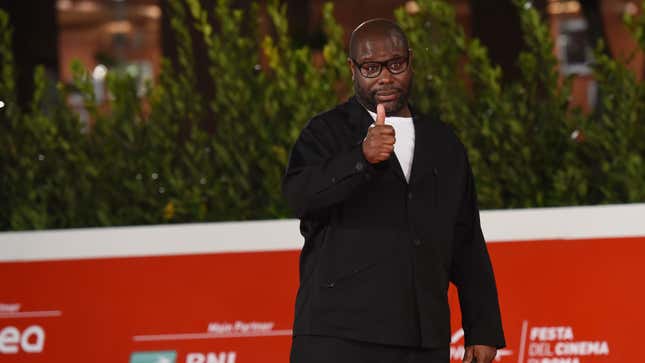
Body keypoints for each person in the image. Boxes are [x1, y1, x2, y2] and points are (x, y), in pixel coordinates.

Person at [282, 18, 505, 363]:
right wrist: (361, 158)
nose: (385, 77)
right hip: (338, 338)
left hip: (422, 339)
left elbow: (467, 240)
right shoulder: (324, 133)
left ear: (410, 61)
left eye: (395, 64)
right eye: (371, 67)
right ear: (352, 69)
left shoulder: (443, 143)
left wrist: (482, 327)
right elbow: (299, 197)